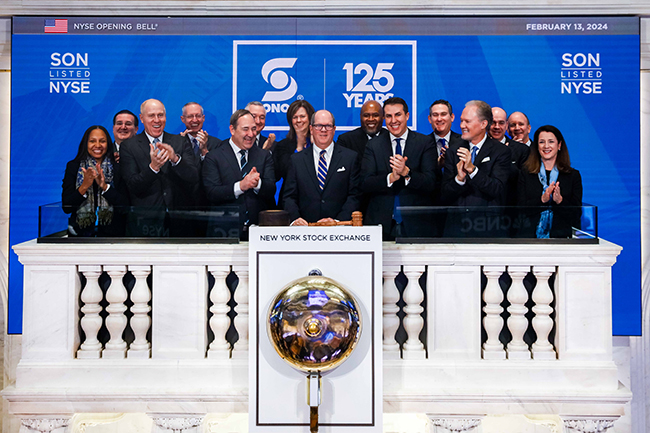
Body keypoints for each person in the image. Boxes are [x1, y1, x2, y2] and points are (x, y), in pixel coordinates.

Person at [361, 97, 436, 239]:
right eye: (388, 116)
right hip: (381, 226)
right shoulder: (373, 145)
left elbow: (431, 182)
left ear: (407, 116)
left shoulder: (424, 143)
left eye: (398, 115)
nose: (393, 120)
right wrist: (390, 178)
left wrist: (407, 173)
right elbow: (365, 182)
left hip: (417, 224)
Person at [120, 99, 199, 235]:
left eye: (160, 115)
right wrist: (153, 168)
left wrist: (175, 159)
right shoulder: (129, 146)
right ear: (142, 118)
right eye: (151, 116)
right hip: (145, 224)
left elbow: (193, 177)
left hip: (179, 223)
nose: (157, 120)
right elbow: (132, 185)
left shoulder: (180, 141)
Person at [202, 109, 276, 239]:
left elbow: (271, 189)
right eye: (245, 129)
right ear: (232, 130)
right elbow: (211, 193)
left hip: (258, 233)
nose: (251, 134)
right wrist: (241, 186)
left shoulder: (264, 156)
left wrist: (257, 183)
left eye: (253, 129)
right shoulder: (214, 156)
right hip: (224, 231)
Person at [283, 110, 360, 225]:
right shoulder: (296, 160)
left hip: (340, 231)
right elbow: (289, 196)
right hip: (306, 230)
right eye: (319, 126)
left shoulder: (350, 158)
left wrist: (337, 221)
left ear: (334, 130)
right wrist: (295, 219)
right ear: (311, 129)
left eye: (328, 126)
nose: (323, 130)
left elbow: (355, 195)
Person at [62, 125, 128, 236]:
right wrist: (84, 186)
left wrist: (104, 186)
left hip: (112, 235)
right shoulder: (73, 166)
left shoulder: (118, 168)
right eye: (92, 141)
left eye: (102, 141)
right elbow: (66, 207)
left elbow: (124, 205)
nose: (97, 145)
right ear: (85, 144)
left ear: (108, 144)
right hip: (80, 234)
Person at [442, 100, 511, 207]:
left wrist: (473, 170)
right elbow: (444, 194)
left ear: (483, 124)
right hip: (457, 220)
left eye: (467, 121)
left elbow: (496, 189)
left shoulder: (501, 151)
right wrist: (459, 179)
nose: (462, 125)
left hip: (486, 221)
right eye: (461, 121)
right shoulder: (453, 150)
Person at [517, 125, 582, 238]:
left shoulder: (572, 175)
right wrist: (542, 200)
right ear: (537, 146)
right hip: (529, 238)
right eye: (542, 142)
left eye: (551, 141)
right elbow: (519, 210)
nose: (546, 146)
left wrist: (560, 201)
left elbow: (576, 214)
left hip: (561, 239)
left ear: (559, 145)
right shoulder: (525, 173)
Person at [490, 107, 530, 206]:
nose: (497, 126)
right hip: (482, 210)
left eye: (501, 123)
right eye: (493, 122)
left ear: (506, 125)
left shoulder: (521, 149)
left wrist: (505, 156)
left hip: (510, 210)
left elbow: (523, 183)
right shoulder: (476, 147)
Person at [273, 100, 315, 183]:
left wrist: (315, 146)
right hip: (291, 193)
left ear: (310, 118)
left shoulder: (319, 143)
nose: (299, 120)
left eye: (302, 116)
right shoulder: (283, 145)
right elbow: (285, 173)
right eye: (295, 117)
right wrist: (299, 147)